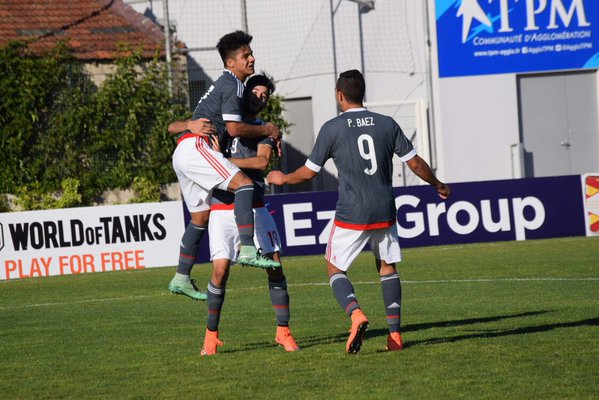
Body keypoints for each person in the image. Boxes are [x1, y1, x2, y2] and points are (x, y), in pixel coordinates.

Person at [267, 69, 451, 354]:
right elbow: (414, 163)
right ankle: (395, 336)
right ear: (362, 93)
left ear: (339, 96)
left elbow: (308, 173)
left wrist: (282, 178)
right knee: (387, 267)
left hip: (352, 212)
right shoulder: (387, 124)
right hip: (385, 209)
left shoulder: (332, 128)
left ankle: (356, 313)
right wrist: (437, 184)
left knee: (334, 266)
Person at [169, 31, 281, 301]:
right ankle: (247, 250)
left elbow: (176, 126)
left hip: (185, 151)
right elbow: (233, 127)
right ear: (231, 63)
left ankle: (181, 277)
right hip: (196, 148)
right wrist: (268, 128)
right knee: (243, 184)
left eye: (251, 53)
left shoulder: (227, 84)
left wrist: (269, 132)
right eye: (246, 55)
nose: (252, 58)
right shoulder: (233, 85)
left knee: (199, 218)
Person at [200, 73, 299, 355]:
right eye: (256, 91)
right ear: (244, 93)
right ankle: (211, 336)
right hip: (222, 206)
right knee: (219, 272)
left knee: (275, 265)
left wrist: (225, 160)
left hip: (255, 205)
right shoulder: (223, 123)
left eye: (265, 94)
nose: (260, 96)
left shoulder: (265, 130)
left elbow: (262, 161)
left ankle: (283, 331)